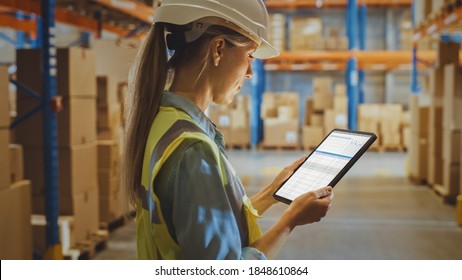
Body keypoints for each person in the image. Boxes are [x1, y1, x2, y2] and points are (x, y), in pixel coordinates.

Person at [122, 0, 333, 260]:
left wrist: (271, 194)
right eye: (250, 56)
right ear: (218, 49)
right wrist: (290, 221)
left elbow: (206, 223)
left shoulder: (166, 121)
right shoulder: (192, 149)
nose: (250, 72)